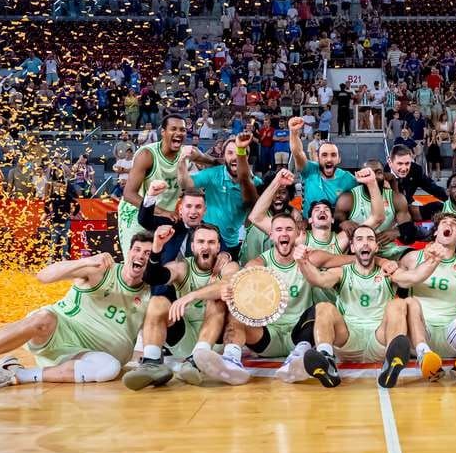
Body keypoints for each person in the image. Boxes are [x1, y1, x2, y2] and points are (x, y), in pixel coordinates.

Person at [0, 235, 155, 401]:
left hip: (84, 357)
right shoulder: (101, 270)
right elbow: (44, 276)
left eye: (147, 252)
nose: (141, 256)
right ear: (128, 251)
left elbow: (149, 338)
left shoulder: (151, 293)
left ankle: (12, 374)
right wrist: (85, 260)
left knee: (109, 368)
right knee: (43, 318)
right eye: (137, 249)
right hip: (57, 331)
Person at [292, 227, 443, 388]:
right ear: (352, 247)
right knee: (323, 307)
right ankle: (326, 359)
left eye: (370, 239)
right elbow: (319, 280)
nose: (365, 243)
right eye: (359, 239)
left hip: (379, 338)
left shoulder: (388, 271)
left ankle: (392, 361)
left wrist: (433, 261)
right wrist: (303, 262)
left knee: (398, 303)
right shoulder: (341, 272)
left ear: (376, 247)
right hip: (349, 339)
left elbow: (413, 277)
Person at [205, 213, 318, 385]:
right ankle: (231, 360)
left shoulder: (309, 257)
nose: (284, 233)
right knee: (237, 311)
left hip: (299, 335)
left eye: (289, 229)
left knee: (320, 308)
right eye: (279, 229)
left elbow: (342, 261)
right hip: (267, 336)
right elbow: (246, 275)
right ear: (271, 235)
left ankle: (298, 359)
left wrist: (375, 260)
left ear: (298, 234)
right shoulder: (258, 262)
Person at [125, 224, 238, 390]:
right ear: (192, 247)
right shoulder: (182, 267)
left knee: (218, 298)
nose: (206, 246)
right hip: (184, 337)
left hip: (213, 343)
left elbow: (227, 284)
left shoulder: (229, 266)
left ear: (219, 246)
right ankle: (152, 362)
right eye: (200, 241)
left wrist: (191, 296)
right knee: (158, 301)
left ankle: (197, 360)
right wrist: (156, 248)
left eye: (211, 242)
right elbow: (153, 277)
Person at [397, 212, 456, 382]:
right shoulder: (412, 258)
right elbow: (397, 285)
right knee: (409, 302)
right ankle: (423, 355)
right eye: (444, 223)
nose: (448, 226)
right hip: (420, 332)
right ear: (435, 232)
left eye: (454, 225)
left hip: (451, 336)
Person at [118, 114, 211, 261]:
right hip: (137, 212)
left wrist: (238, 157)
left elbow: (214, 162)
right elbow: (129, 194)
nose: (179, 133)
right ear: (163, 132)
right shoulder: (147, 155)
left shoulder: (188, 152)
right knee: (135, 262)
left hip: (165, 214)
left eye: (182, 130)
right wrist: (162, 212)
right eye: (173, 129)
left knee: (159, 262)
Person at [185, 132, 261, 260]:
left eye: (240, 152)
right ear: (223, 156)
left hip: (231, 243)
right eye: (230, 153)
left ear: (246, 157)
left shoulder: (256, 183)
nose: (234, 157)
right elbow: (187, 183)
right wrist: (184, 160)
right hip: (204, 239)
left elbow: (254, 212)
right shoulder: (212, 174)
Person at [335, 159, 416, 258]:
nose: (374, 177)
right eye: (369, 173)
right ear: (360, 175)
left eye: (378, 172)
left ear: (384, 175)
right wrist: (342, 223)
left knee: (415, 258)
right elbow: (333, 230)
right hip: (357, 252)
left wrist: (398, 231)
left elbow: (409, 235)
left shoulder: (396, 198)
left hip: (387, 249)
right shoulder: (348, 199)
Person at [289, 116, 357, 215]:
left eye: (333, 155)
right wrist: (294, 133)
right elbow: (298, 153)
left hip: (335, 227)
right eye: (324, 155)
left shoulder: (349, 179)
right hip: (308, 226)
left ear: (339, 159)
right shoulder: (309, 170)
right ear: (318, 158)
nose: (329, 159)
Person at [384, 144, 448, 221]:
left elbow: (431, 187)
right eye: (400, 164)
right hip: (387, 210)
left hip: (409, 205)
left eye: (407, 163)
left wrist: (451, 200)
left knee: (439, 207)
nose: (404, 168)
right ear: (390, 161)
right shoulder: (382, 174)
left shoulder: (415, 169)